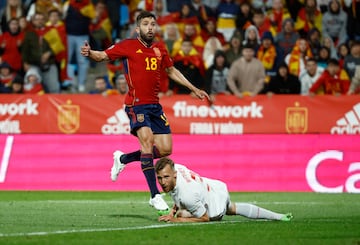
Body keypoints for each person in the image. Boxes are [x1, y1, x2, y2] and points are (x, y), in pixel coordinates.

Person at [80, 11, 209, 211]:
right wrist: (90, 53)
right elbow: (103, 56)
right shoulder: (128, 45)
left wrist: (194, 89)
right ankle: (154, 194)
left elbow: (171, 71)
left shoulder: (160, 48)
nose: (150, 27)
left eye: (153, 24)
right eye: (146, 24)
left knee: (166, 150)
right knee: (147, 143)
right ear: (138, 28)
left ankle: (122, 159)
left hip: (154, 105)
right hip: (136, 104)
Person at [155, 157, 293, 222]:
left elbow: (205, 218)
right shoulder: (176, 167)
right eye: (159, 178)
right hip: (216, 187)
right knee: (232, 208)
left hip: (214, 208)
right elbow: (177, 193)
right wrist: (172, 211)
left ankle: (278, 217)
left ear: (174, 175)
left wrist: (175, 220)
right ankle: (279, 216)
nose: (162, 182)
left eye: (166, 177)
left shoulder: (187, 195)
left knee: (182, 216)